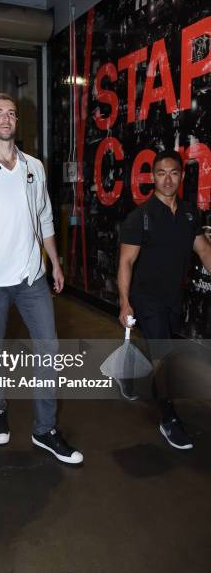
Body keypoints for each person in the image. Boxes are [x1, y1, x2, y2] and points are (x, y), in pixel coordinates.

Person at [0, 92, 83, 465]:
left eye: (11, 113)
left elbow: (44, 219)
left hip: (31, 277)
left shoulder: (34, 168)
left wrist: (54, 262)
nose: (6, 119)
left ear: (15, 122)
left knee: (49, 349)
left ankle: (45, 430)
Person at [118, 149, 211, 449]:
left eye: (173, 173)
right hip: (146, 298)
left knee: (161, 347)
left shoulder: (188, 214)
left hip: (173, 297)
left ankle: (128, 373)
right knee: (164, 355)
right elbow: (126, 263)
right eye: (161, 173)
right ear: (153, 177)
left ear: (181, 176)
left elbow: (204, 250)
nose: (167, 179)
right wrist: (124, 302)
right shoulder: (140, 217)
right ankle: (168, 417)